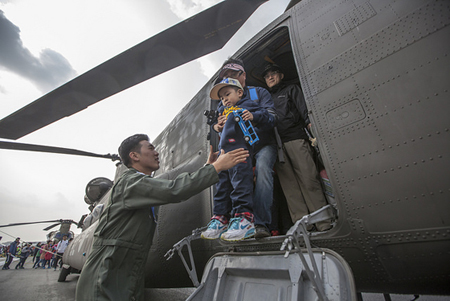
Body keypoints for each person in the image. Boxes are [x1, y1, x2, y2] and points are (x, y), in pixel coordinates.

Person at [75, 134, 249, 301]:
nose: (156, 152)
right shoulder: (129, 183)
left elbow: (169, 188)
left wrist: (207, 168)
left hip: (121, 276)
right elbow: (173, 190)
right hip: (105, 280)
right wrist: (216, 168)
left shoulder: (139, 184)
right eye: (150, 148)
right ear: (134, 155)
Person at [201, 78, 272, 241]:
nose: (224, 99)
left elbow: (265, 116)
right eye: (221, 98)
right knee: (222, 184)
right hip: (224, 154)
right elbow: (219, 129)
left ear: (240, 92)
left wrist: (253, 115)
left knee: (240, 183)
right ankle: (220, 218)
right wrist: (217, 126)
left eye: (227, 94)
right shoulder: (223, 113)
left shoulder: (247, 105)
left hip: (240, 151)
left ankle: (244, 219)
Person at [213, 58, 277, 239]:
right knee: (228, 176)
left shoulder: (259, 93)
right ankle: (231, 218)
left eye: (233, 75)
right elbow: (217, 126)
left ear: (243, 76)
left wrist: (253, 117)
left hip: (262, 145)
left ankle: (260, 224)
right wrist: (217, 127)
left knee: (263, 170)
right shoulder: (222, 104)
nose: (229, 78)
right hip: (241, 148)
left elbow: (272, 118)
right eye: (226, 76)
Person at [263, 64, 331, 231]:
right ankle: (303, 227)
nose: (270, 77)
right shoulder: (265, 99)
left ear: (281, 75)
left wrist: (311, 129)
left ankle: (324, 223)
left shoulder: (291, 89)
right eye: (267, 76)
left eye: (274, 73)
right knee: (290, 188)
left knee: (309, 180)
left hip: (295, 139)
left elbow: (304, 111)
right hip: (277, 147)